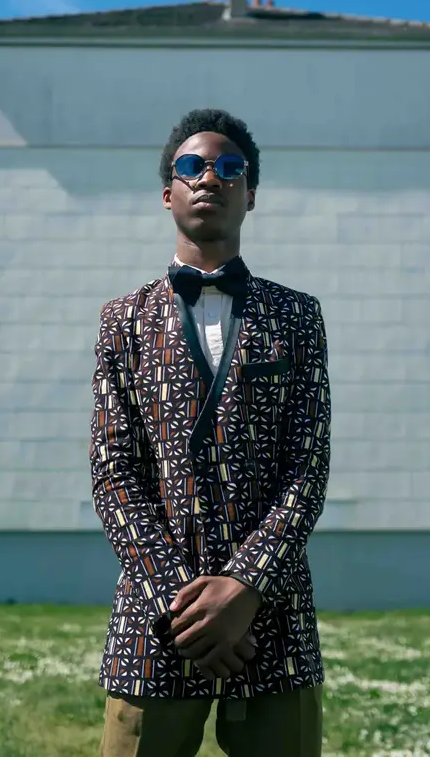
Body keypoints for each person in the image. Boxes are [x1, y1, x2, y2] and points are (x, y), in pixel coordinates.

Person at [90, 108, 332, 757]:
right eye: (192, 166)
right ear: (168, 192)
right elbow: (114, 474)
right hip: (156, 616)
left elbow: (306, 469)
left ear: (250, 194)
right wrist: (183, 604)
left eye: (230, 169)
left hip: (271, 616)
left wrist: (244, 588)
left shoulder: (298, 318)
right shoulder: (122, 322)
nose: (210, 178)